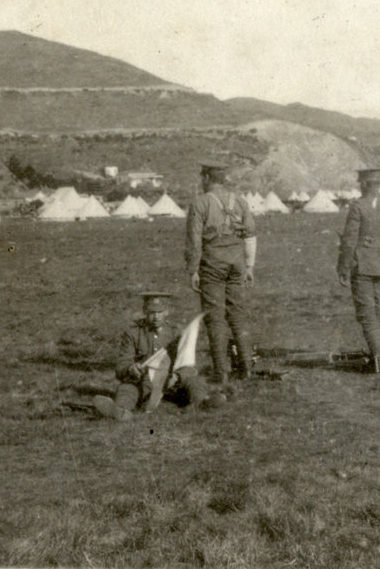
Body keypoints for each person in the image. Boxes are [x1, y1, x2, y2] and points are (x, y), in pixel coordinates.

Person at [93, 292, 224, 421]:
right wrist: (131, 368)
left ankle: (202, 403)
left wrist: (178, 377)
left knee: (196, 381)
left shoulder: (177, 333)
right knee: (127, 389)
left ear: (167, 311)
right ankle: (120, 411)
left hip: (172, 383)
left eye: (160, 312)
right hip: (144, 385)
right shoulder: (133, 334)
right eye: (151, 312)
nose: (156, 317)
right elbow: (121, 365)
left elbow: (189, 365)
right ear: (144, 311)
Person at [185, 161, 258, 383]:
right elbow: (251, 235)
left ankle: (221, 372)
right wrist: (249, 266)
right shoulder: (241, 202)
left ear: (207, 179)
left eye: (202, 178)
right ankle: (246, 368)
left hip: (212, 264)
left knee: (214, 318)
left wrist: (193, 269)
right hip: (237, 264)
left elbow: (194, 240)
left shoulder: (200, 203)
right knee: (238, 315)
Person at [337, 168, 380, 373]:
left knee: (367, 314)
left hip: (363, 266)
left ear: (364, 184)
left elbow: (349, 240)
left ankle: (378, 359)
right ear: (379, 184)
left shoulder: (358, 206)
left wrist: (343, 267)